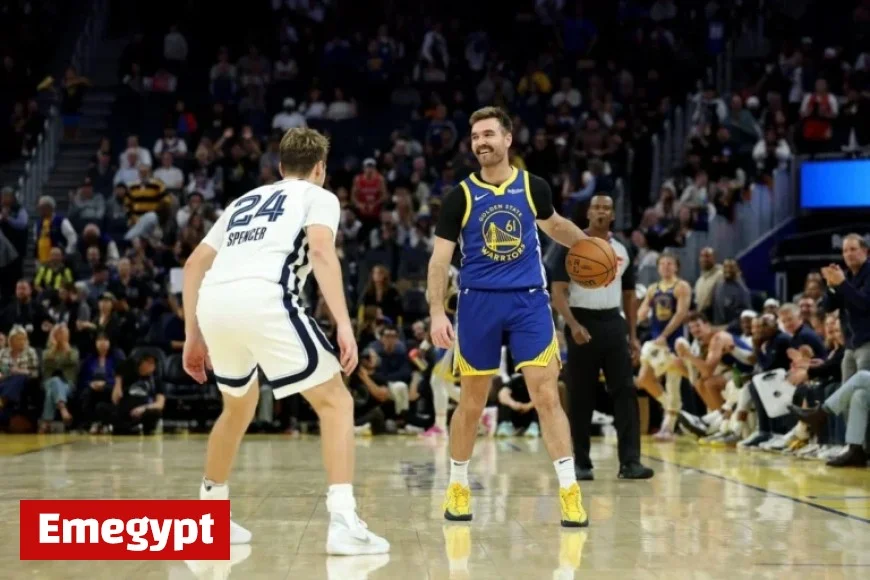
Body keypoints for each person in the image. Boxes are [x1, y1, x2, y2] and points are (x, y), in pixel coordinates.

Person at [181, 127, 390, 554]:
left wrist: (192, 335)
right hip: (265, 298)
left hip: (215, 304)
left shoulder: (243, 201)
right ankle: (343, 522)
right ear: (320, 169)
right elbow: (321, 252)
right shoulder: (319, 196)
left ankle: (210, 518)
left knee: (237, 407)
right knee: (336, 402)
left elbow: (193, 265)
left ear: (280, 168)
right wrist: (344, 324)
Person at [427, 106, 591, 528]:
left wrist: (589, 246)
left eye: (488, 134)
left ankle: (570, 491)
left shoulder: (532, 186)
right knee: (472, 401)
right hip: (478, 303)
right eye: (475, 136)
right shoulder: (460, 196)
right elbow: (440, 260)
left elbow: (555, 226)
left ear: (507, 139)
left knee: (547, 395)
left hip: (528, 301)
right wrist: (436, 311)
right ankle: (458, 485)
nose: (481, 142)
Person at [551, 195, 654, 479]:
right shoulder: (571, 244)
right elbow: (557, 291)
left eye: (606, 208)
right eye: (596, 207)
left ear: (612, 215)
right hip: (581, 320)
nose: (601, 212)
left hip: (613, 322)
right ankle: (582, 463)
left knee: (625, 392)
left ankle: (630, 462)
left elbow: (630, 295)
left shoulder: (622, 248)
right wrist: (572, 324)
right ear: (588, 213)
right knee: (580, 394)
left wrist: (633, 335)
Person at [634, 253, 692, 441]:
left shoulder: (681, 286)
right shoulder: (653, 289)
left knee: (672, 383)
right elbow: (642, 312)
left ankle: (668, 427)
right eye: (663, 264)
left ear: (676, 267)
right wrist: (639, 315)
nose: (666, 266)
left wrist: (665, 335)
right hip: (657, 340)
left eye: (670, 263)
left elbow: (681, 314)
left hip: (674, 341)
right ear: (658, 267)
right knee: (644, 379)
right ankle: (673, 409)